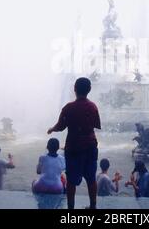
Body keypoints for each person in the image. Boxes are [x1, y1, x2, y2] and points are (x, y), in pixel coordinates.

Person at [47, 77, 101, 209]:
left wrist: (52, 129)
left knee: (71, 179)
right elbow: (96, 124)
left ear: (74, 89)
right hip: (90, 145)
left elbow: (61, 126)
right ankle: (93, 206)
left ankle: (71, 207)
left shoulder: (69, 108)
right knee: (91, 178)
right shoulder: (93, 106)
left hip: (73, 147)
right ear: (89, 90)